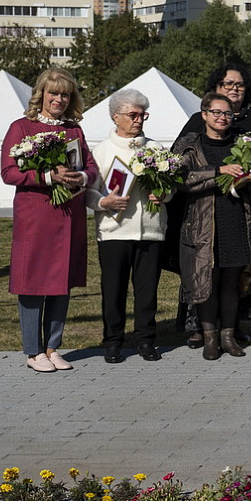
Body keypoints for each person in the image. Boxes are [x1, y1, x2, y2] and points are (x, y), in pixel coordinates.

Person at [1, 68, 98, 373]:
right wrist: (46, 176)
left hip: (69, 214)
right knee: (32, 282)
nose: (59, 99)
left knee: (61, 281)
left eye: (65, 94)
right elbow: (8, 172)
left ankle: (53, 347)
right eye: (53, 93)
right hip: (35, 216)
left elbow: (92, 168)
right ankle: (33, 351)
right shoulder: (21, 128)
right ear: (41, 94)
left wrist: (79, 176)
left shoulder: (75, 131)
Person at [176, 60, 251, 349]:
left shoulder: (244, 140)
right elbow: (179, 178)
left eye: (227, 113)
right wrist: (217, 173)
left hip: (236, 220)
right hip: (204, 223)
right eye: (216, 111)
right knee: (206, 281)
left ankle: (229, 334)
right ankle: (207, 336)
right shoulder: (192, 141)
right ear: (205, 113)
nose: (222, 116)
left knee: (232, 282)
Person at [85, 87, 167, 363]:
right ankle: (112, 342)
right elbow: (88, 191)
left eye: (143, 115)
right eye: (133, 114)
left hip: (150, 231)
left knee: (147, 292)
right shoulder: (101, 151)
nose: (139, 120)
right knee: (114, 290)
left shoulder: (155, 148)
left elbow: (170, 185)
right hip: (113, 232)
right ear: (115, 116)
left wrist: (165, 193)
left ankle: (145, 341)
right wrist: (102, 203)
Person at [177, 60, 251, 140]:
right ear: (215, 87)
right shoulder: (200, 119)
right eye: (228, 83)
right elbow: (179, 153)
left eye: (240, 85)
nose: (234, 88)